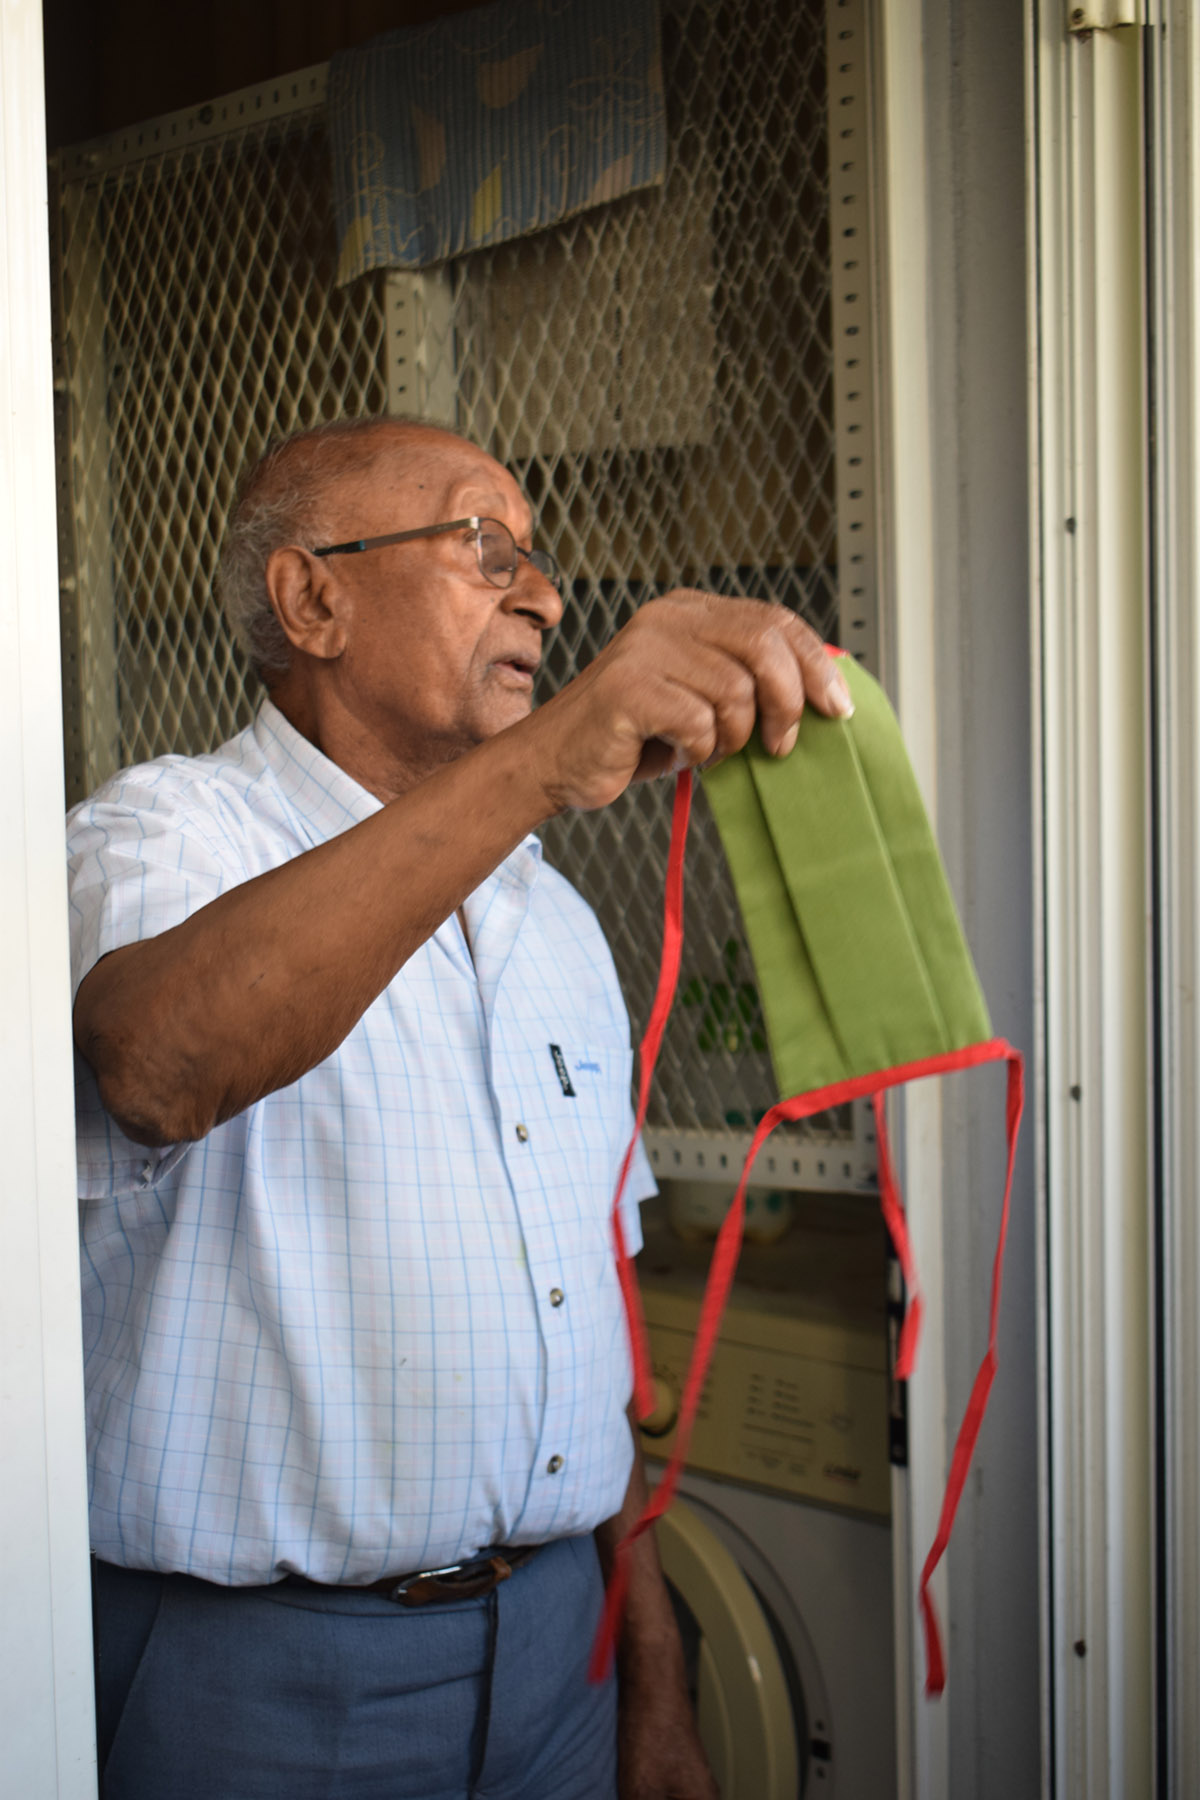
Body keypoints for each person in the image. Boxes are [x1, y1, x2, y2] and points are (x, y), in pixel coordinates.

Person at [69, 415, 854, 1800]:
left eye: (538, 558)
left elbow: (595, 1318)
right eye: (483, 546)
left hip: (561, 1654)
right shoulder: (159, 836)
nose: (543, 592)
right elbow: (159, 1065)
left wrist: (651, 1676)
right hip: (257, 1688)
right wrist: (554, 754)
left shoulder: (551, 919)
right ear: (314, 599)